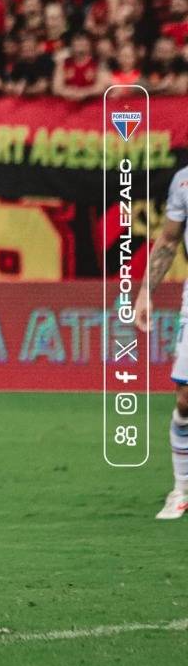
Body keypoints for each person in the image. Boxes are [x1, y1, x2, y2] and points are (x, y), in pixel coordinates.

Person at [135, 163, 188, 520]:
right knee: (186, 399)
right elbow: (169, 240)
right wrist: (145, 293)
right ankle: (182, 489)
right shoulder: (184, 181)